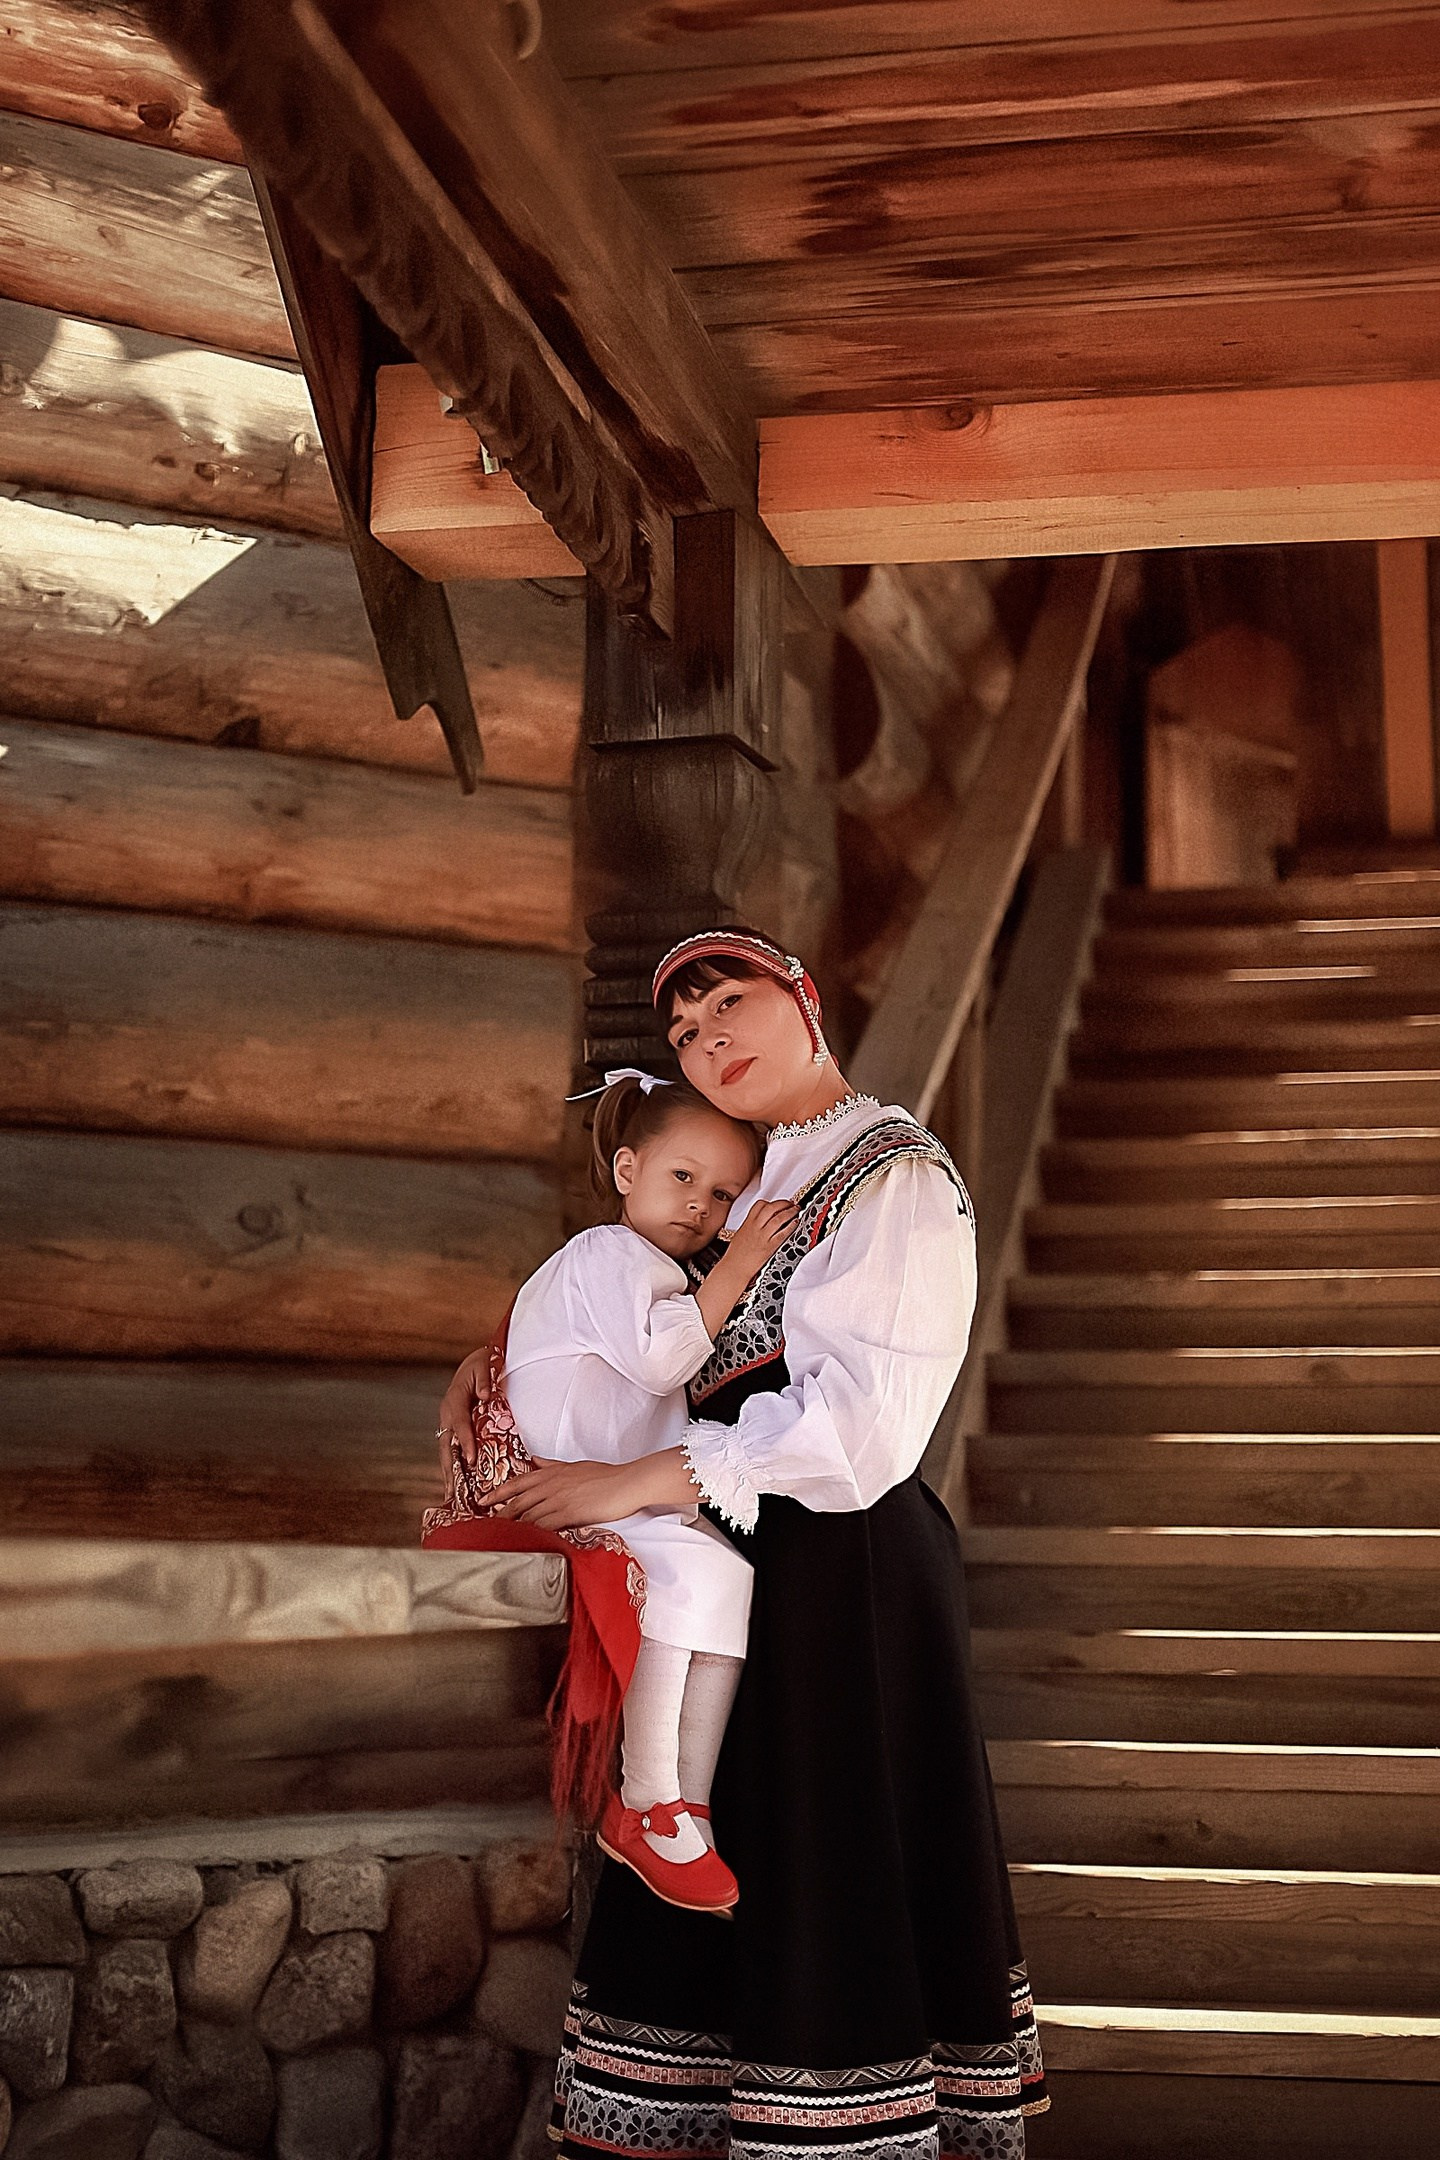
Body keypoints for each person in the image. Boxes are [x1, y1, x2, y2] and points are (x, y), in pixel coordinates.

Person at [438, 928, 1049, 2160]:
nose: (706, 1037)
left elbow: (861, 1433)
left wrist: (631, 1477)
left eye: (730, 1003)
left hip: (843, 1572)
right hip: (730, 1554)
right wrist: (488, 1359)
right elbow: (626, 1314)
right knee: (710, 1871)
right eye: (683, 1030)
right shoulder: (734, 1177)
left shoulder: (894, 1177)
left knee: (822, 1878)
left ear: (806, 1004)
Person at [436, 1068, 795, 1916]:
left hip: (611, 1490)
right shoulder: (607, 1253)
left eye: (723, 1195)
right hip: (556, 1488)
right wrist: (742, 1262)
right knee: (684, 1574)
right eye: (682, 1177)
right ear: (628, 1170)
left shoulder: (652, 1266)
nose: (700, 1206)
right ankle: (644, 1797)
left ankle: (687, 1802)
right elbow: (662, 1361)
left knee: (729, 1575)